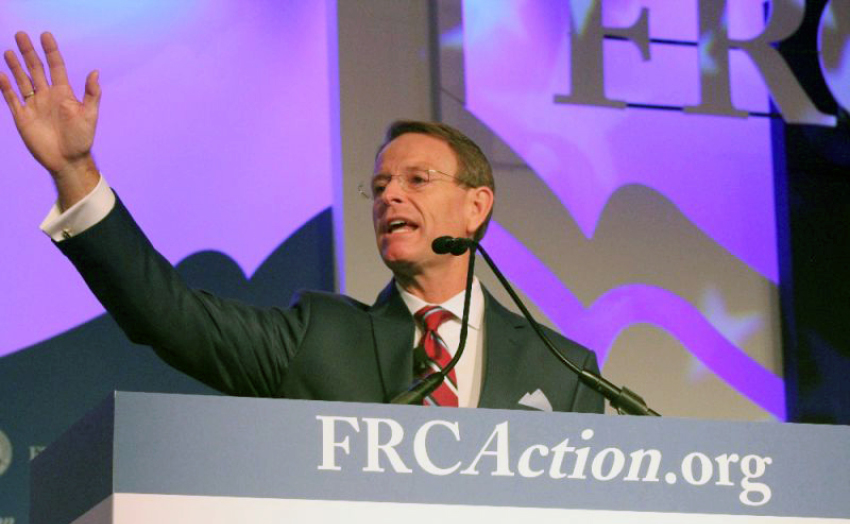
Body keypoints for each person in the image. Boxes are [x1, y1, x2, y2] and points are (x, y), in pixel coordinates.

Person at [1, 31, 603, 412]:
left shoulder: (564, 370)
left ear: (477, 207)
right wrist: (76, 171)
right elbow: (169, 316)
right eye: (379, 186)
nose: (389, 196)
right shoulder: (318, 338)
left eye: (416, 181)